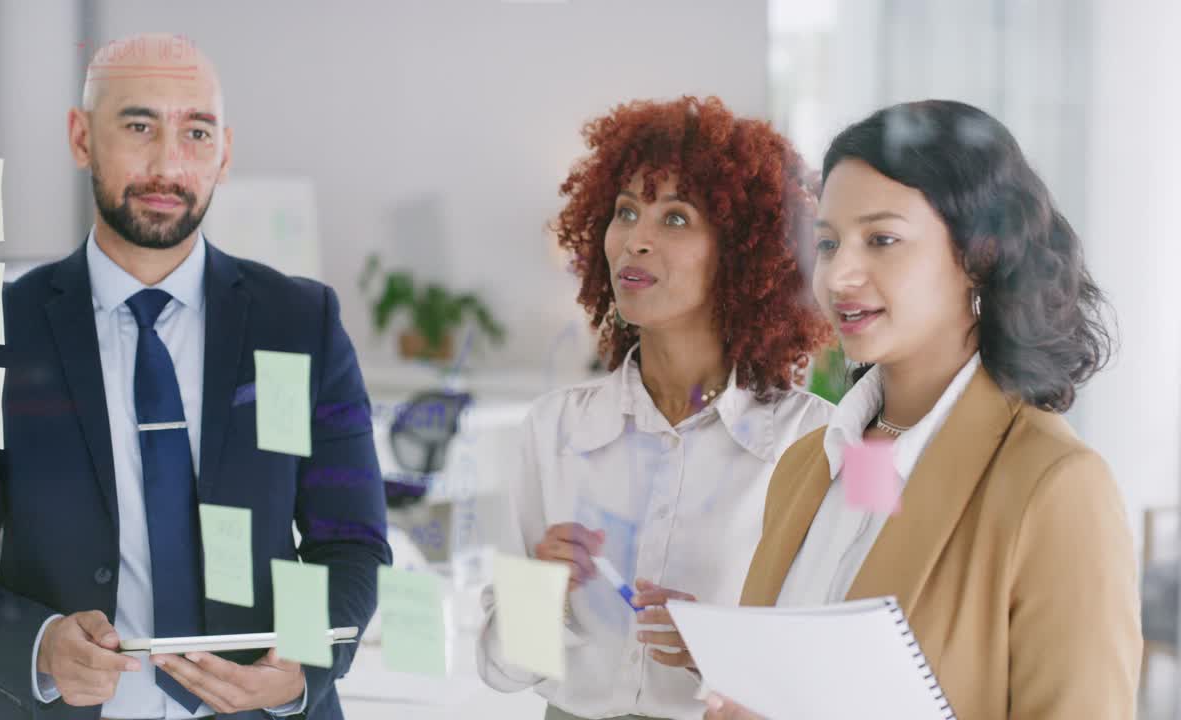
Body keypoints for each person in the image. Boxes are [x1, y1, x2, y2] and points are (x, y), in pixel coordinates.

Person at [0, 34, 390, 720]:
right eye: (138, 127)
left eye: (196, 132)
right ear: (80, 138)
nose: (169, 164)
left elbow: (349, 541)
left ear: (224, 150)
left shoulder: (298, 322)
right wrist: (39, 647)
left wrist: (301, 663)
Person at [712, 100, 1139, 720]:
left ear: (978, 255)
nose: (839, 276)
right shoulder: (810, 465)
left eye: (882, 239)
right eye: (828, 243)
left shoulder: (1056, 488)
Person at [476, 95, 835, 720]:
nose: (635, 240)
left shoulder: (817, 442)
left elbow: (835, 670)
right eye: (626, 211)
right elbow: (503, 671)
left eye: (675, 219)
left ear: (742, 254)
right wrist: (540, 596)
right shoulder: (554, 429)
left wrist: (714, 650)